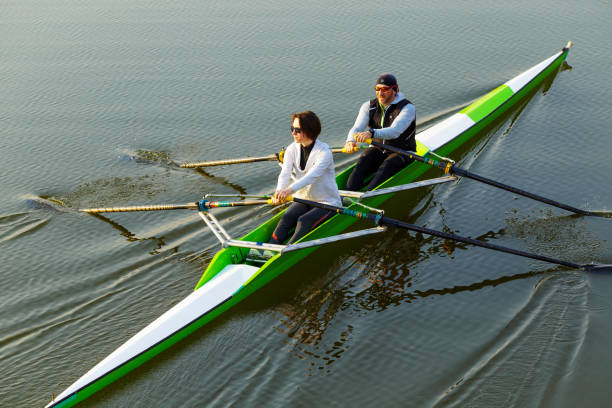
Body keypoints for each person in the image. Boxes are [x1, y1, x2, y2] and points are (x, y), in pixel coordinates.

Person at [268, 110, 342, 246]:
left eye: (297, 130)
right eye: (292, 129)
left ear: (308, 130)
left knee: (304, 220)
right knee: (287, 217)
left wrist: (288, 191)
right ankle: (268, 249)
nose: (293, 133)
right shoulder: (291, 149)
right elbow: (285, 173)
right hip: (303, 198)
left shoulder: (324, 152)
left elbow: (311, 177)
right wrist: (279, 191)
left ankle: (286, 253)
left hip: (327, 202)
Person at [343, 73, 416, 191]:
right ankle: (347, 194)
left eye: (385, 89)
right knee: (363, 159)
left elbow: (395, 131)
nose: (380, 93)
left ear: (395, 89)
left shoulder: (407, 108)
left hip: (402, 151)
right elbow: (357, 128)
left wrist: (371, 133)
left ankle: (367, 198)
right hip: (378, 149)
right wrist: (350, 140)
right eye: (377, 89)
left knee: (387, 166)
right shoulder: (368, 106)